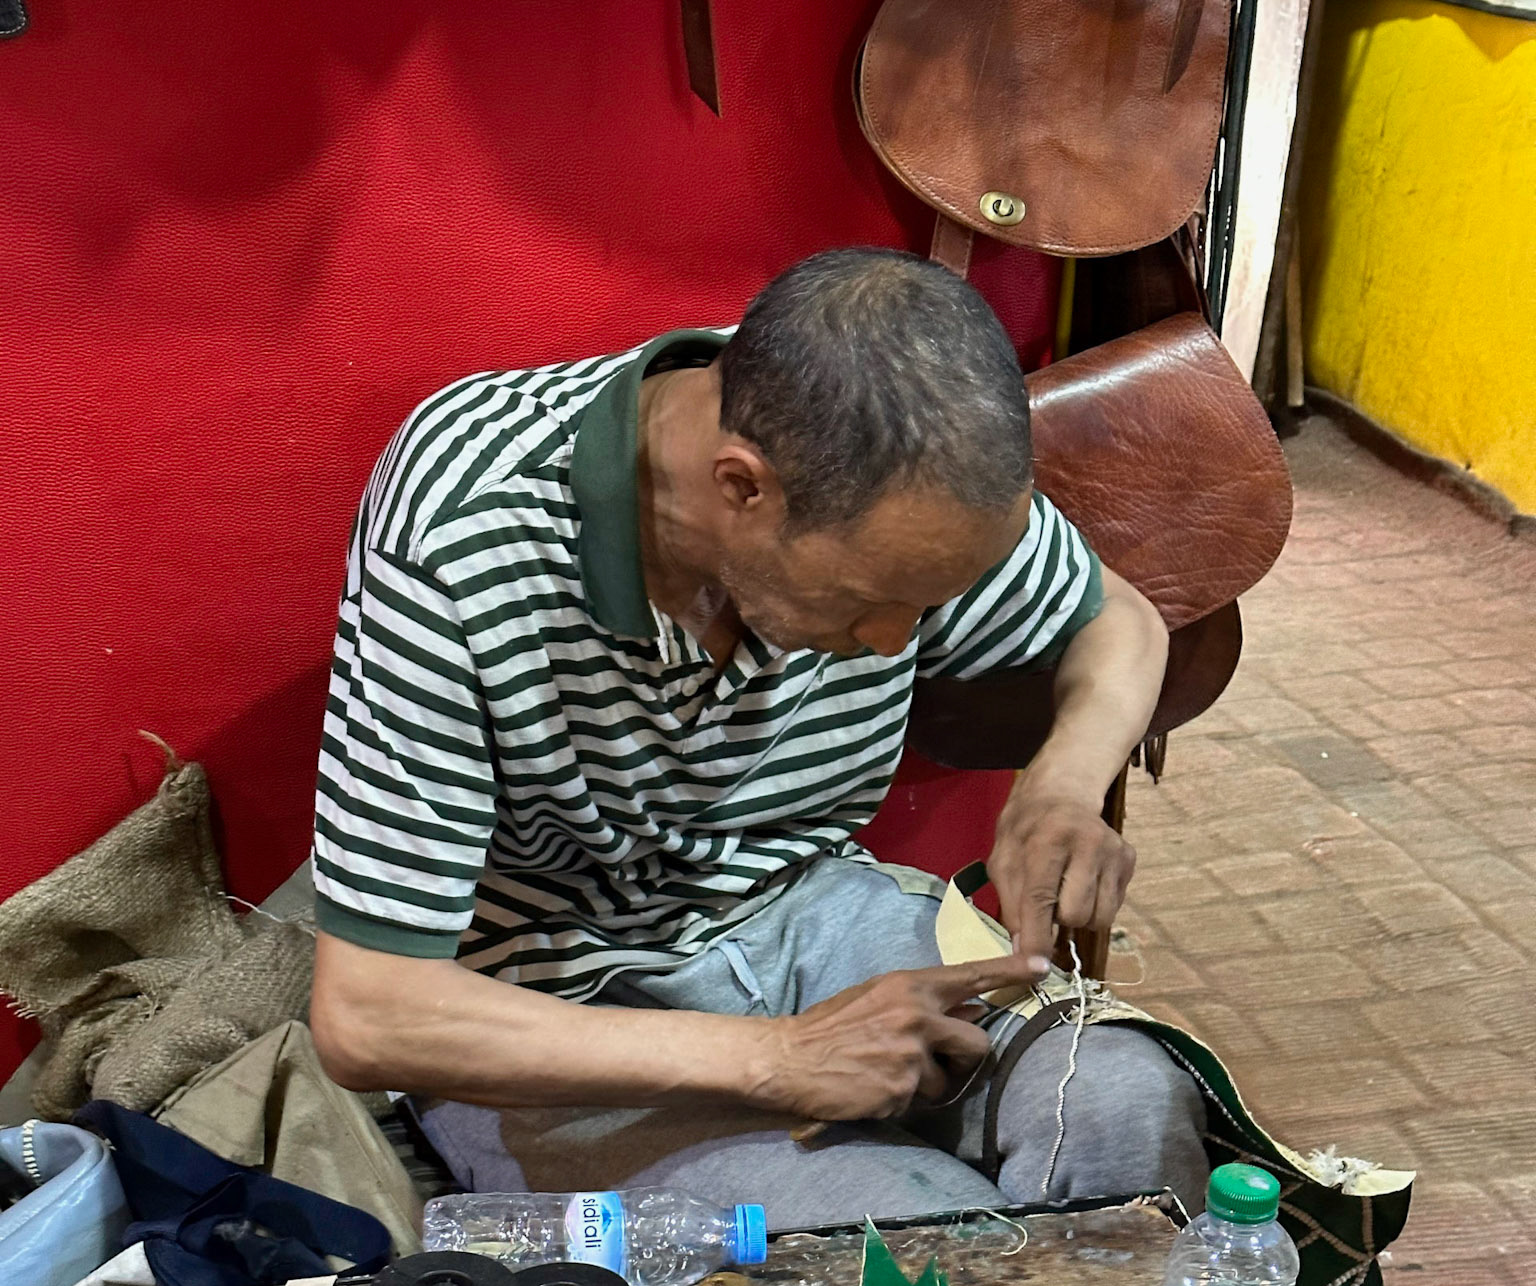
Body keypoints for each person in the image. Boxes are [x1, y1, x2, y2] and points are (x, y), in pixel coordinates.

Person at [309, 248, 1206, 1222]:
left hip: (806, 911)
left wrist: (1063, 782)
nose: (895, 642)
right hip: (548, 1000)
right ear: (742, 486)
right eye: (870, 600)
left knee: (1126, 1107)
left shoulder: (903, 435)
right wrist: (779, 1057)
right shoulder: (467, 518)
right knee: (907, 1234)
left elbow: (1121, 622)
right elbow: (369, 1013)